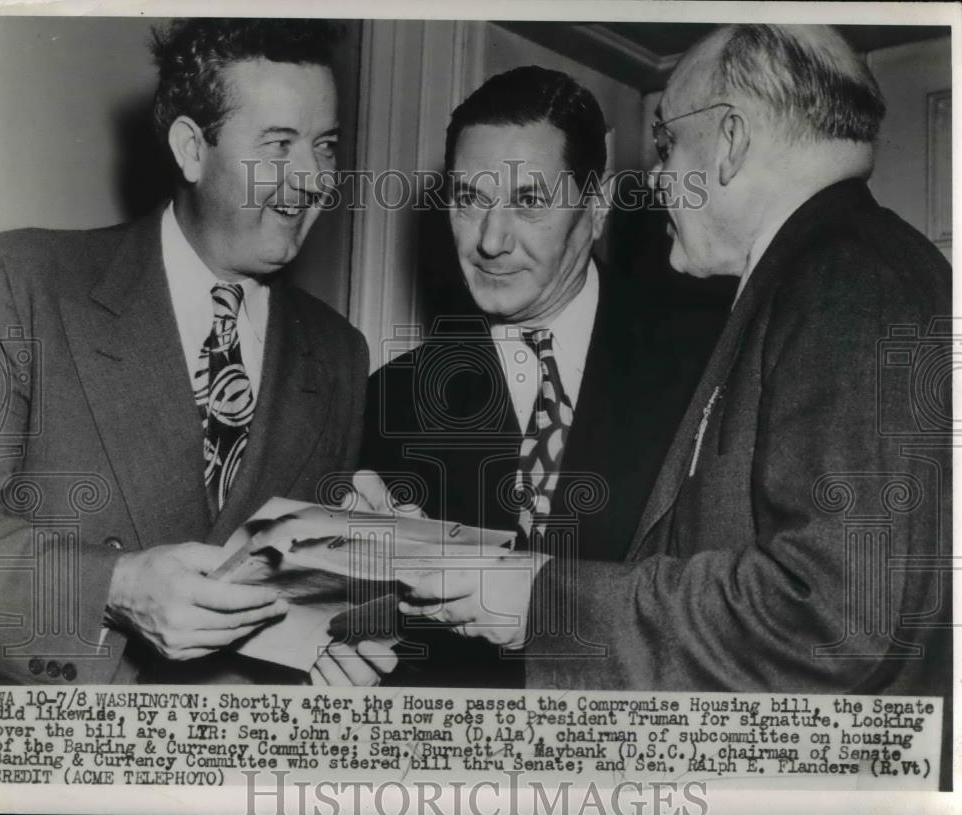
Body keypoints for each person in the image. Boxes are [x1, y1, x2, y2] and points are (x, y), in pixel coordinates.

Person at [395, 24, 952, 703]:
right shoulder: (852, 267)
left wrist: (540, 599)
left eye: (667, 144)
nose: (655, 180)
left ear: (730, 141)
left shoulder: (845, 275)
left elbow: (829, 617)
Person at [0, 18, 393, 686]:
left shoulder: (340, 353)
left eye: (325, 145)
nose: (314, 178)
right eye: (279, 144)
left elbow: (301, 606)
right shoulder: (20, 282)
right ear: (191, 149)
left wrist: (369, 586)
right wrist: (113, 586)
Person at [359, 66, 707, 686]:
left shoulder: (703, 361)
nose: (491, 241)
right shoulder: (393, 398)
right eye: (470, 200)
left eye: (529, 201)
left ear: (596, 207)